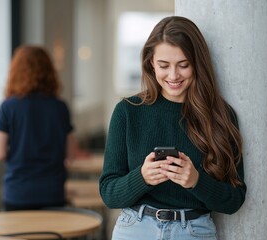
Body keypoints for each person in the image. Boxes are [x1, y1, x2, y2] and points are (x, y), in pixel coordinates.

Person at [99, 16, 246, 239]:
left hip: (195, 231)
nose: (174, 76)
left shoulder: (221, 116)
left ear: (197, 63)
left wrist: (196, 181)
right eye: (164, 65)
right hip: (136, 229)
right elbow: (109, 193)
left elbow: (234, 199)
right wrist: (142, 177)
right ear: (150, 63)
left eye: (183, 65)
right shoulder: (127, 112)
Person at [0, 45, 75, 211]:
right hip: (53, 192)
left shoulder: (8, 107)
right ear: (49, 72)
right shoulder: (60, 107)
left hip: (17, 193)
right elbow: (70, 154)